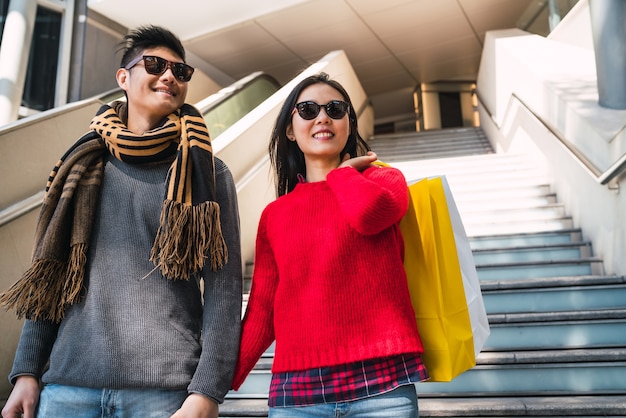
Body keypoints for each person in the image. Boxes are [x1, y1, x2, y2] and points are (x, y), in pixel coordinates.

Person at [0, 25, 242, 418]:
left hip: (164, 394)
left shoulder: (208, 174)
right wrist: (26, 371)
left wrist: (207, 392)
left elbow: (224, 293)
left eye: (181, 71)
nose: (169, 76)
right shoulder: (81, 166)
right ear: (123, 78)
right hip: (68, 389)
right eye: (154, 64)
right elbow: (50, 278)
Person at [230, 73, 428, 417]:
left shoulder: (383, 180)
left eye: (335, 109)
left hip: (383, 386)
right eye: (308, 109)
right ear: (290, 130)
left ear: (349, 123)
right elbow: (262, 311)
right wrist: (213, 386)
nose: (322, 117)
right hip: (298, 393)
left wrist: (342, 174)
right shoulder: (275, 216)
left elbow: (368, 215)